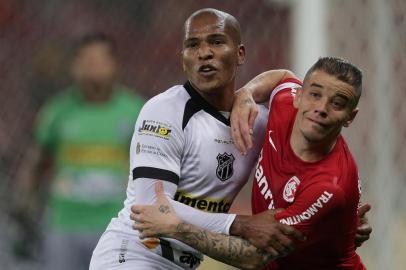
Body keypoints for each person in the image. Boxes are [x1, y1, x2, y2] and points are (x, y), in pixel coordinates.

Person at [90, 8, 307, 270]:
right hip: (131, 254)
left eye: (216, 41)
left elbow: (294, 84)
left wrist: (341, 215)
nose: (204, 52)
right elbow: (151, 207)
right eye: (193, 45)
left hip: (184, 263)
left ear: (240, 53)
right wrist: (241, 224)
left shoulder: (257, 119)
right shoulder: (164, 111)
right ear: (183, 59)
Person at [131, 57, 371, 269]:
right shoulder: (284, 104)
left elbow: (253, 257)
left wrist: (176, 227)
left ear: (350, 118)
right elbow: (283, 76)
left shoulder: (329, 187)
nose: (321, 108)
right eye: (315, 94)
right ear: (299, 96)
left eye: (337, 103)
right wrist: (246, 93)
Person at [15, 33, 145, 270]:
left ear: (114, 65)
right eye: (85, 61)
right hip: (64, 224)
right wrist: (25, 206)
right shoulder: (57, 112)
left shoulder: (135, 111)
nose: (91, 67)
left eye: (98, 60)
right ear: (74, 66)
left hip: (116, 225)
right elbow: (37, 162)